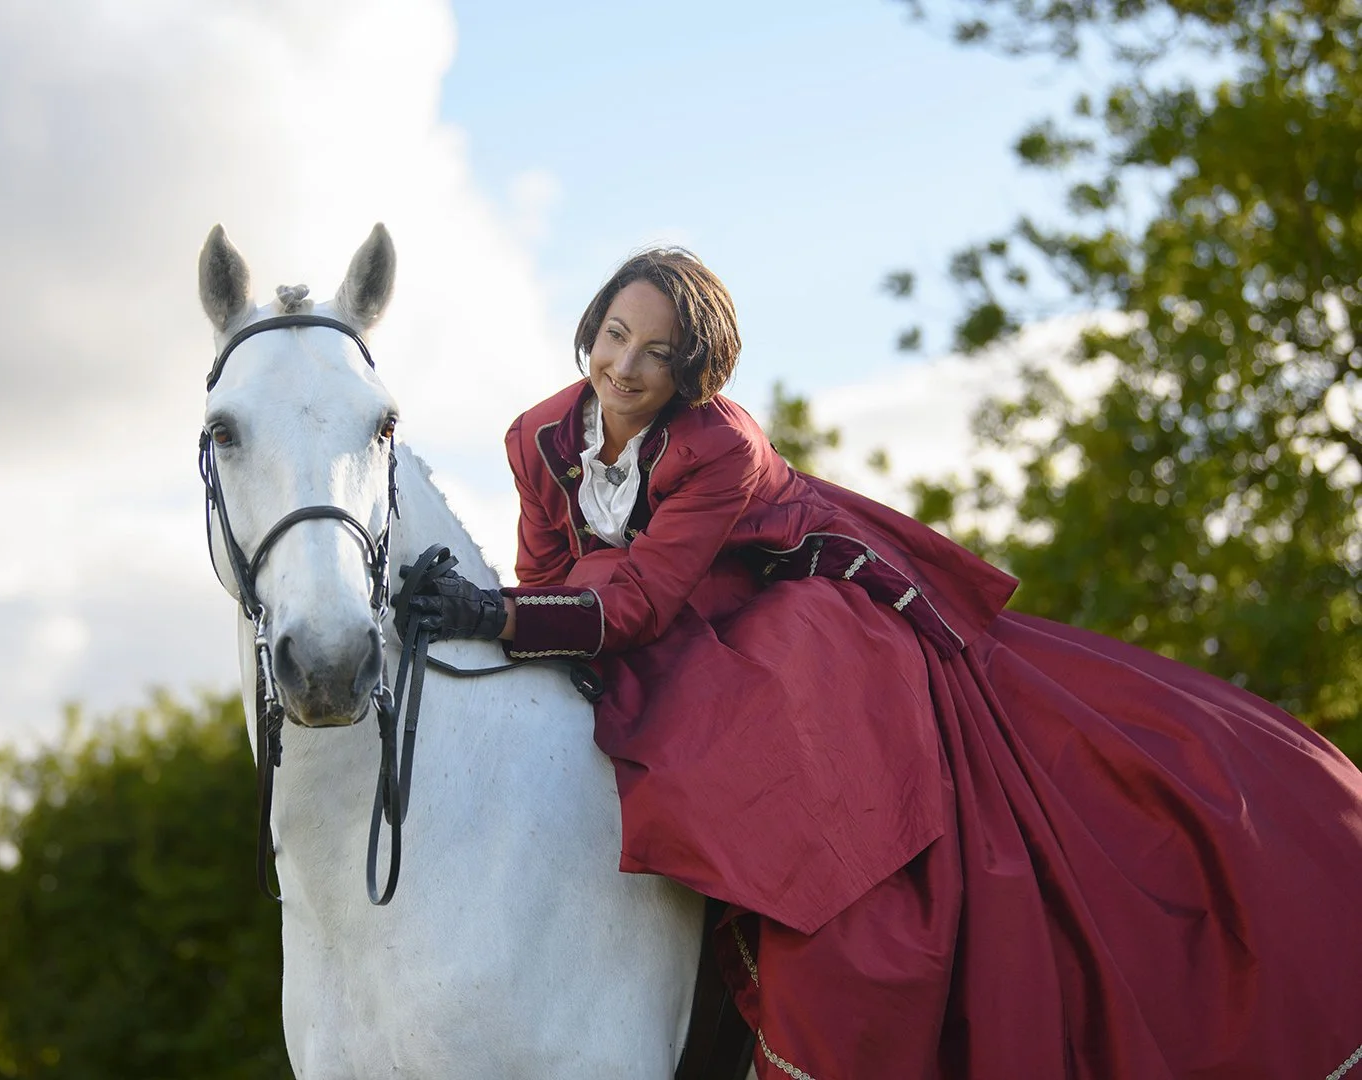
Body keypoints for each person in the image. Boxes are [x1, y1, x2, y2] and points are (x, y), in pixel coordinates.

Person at [405, 248, 1362, 1080]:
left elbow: (643, 601)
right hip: (653, 596)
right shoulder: (538, 434)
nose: (625, 366)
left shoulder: (720, 447)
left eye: (659, 354)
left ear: (692, 373)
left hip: (783, 591)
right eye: (615, 335)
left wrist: (492, 615)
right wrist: (514, 621)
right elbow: (551, 572)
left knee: (781, 766)